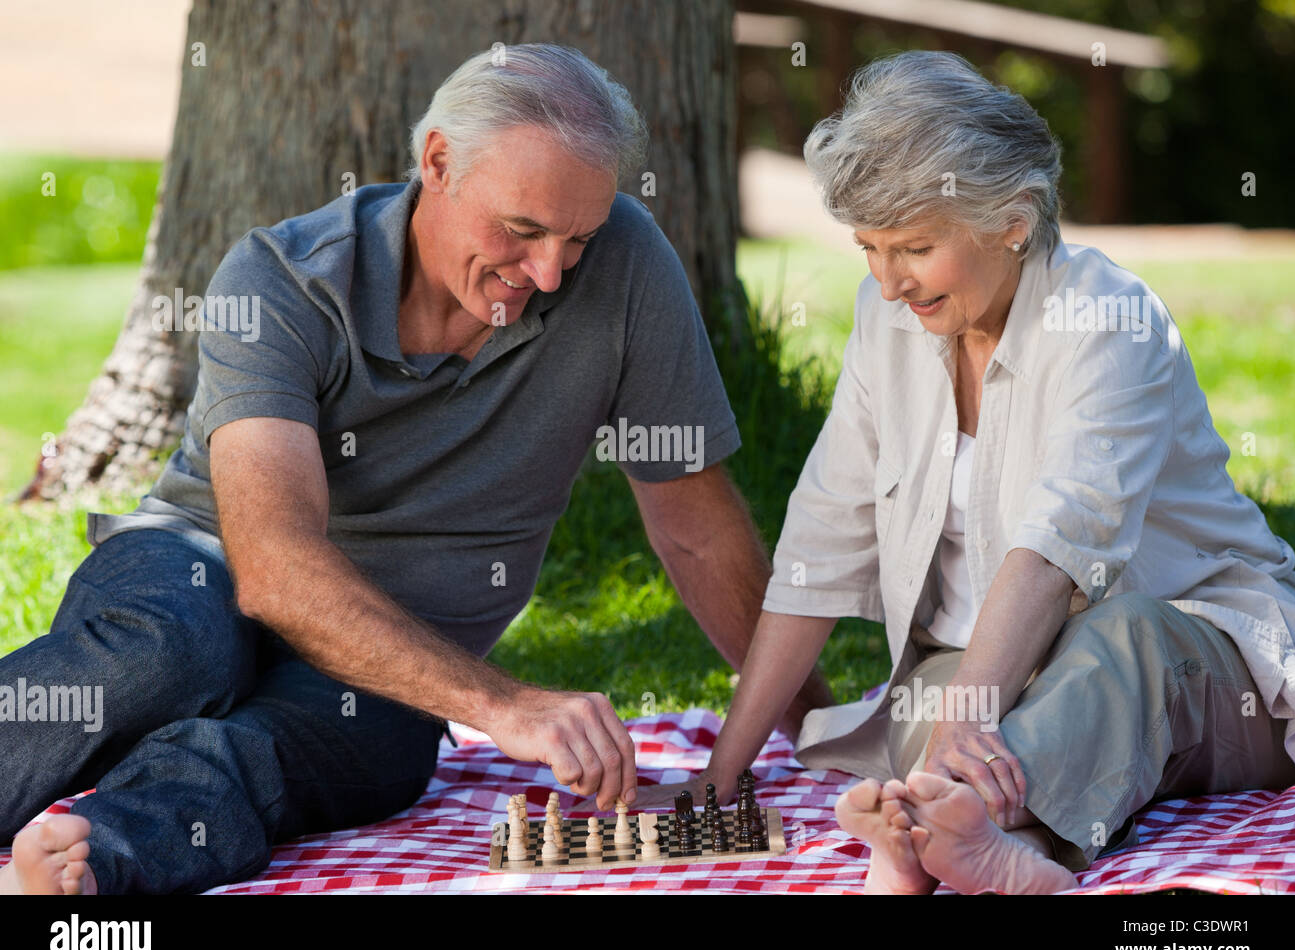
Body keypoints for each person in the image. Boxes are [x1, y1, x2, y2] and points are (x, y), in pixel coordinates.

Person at [0, 43, 834, 895]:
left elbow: (697, 529)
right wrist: (505, 707)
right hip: (203, 560)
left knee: (294, 751)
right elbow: (274, 567)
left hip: (398, 662)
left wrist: (820, 728)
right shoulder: (284, 279)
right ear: (437, 161)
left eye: (576, 237)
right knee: (175, 656)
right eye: (523, 229)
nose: (548, 272)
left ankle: (81, 872)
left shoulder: (626, 267)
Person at [653, 50, 1295, 894]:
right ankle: (959, 837)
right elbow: (821, 544)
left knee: (1115, 639)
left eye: (915, 246)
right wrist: (722, 771)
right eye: (869, 248)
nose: (888, 283)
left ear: (1014, 221)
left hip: (1199, 669)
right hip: (1004, 673)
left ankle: (979, 832)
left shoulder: (1107, 317)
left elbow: (1057, 547)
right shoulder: (884, 322)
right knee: (930, 699)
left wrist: (970, 715)